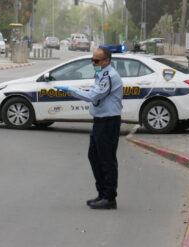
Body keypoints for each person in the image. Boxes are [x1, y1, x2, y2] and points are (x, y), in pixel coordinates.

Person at [54, 47, 123, 209]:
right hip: (100, 121)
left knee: (106, 160)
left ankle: (109, 197)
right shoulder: (101, 74)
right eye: (92, 60)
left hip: (108, 122)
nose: (93, 63)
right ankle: (102, 193)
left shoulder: (109, 76)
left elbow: (93, 96)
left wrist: (71, 90)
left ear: (107, 61)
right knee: (94, 156)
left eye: (97, 61)